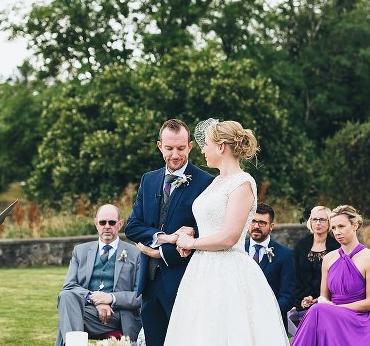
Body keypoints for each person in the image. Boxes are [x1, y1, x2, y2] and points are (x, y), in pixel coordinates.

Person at [164, 119, 289, 345]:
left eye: (206, 144)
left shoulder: (242, 183)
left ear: (221, 147)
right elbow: (211, 221)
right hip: (201, 269)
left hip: (228, 269)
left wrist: (191, 243)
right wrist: (191, 234)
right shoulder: (216, 182)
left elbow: (229, 236)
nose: (202, 150)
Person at [124, 119, 214, 346]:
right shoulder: (149, 179)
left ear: (190, 146)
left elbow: (204, 235)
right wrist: (168, 238)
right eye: (169, 148)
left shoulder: (206, 183)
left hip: (184, 281)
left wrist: (161, 252)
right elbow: (132, 227)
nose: (175, 154)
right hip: (149, 283)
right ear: (159, 146)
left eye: (181, 148)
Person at [290, 205, 370, 346]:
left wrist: (337, 308)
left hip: (357, 319)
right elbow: (324, 297)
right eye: (333, 228)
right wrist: (319, 301)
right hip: (330, 316)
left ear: (355, 225)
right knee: (316, 309)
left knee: (316, 310)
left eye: (341, 226)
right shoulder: (329, 258)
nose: (337, 232)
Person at [56, 204, 142, 346]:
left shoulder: (135, 253)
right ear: (96, 223)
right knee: (66, 296)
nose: (107, 226)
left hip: (119, 316)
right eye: (102, 222)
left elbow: (140, 296)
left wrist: (111, 298)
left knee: (68, 317)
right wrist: (94, 299)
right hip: (88, 311)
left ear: (120, 224)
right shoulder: (80, 251)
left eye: (112, 222)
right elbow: (69, 286)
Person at [287, 205, 340, 330]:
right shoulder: (302, 245)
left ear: (329, 222)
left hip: (328, 301)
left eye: (322, 219)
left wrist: (317, 298)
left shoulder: (336, 247)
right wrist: (301, 300)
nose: (318, 223)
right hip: (302, 301)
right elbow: (295, 276)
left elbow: (336, 279)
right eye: (314, 219)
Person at [245, 202, 297, 326]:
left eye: (262, 223)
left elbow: (288, 297)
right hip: (240, 319)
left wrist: (266, 313)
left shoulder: (286, 255)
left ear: (271, 226)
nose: (256, 226)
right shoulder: (237, 250)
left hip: (271, 321)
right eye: (253, 221)